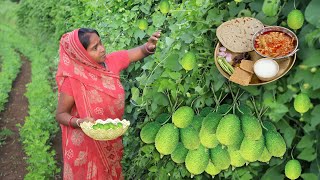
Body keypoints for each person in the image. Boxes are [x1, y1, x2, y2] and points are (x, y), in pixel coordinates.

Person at [55, 28, 161, 180]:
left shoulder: (110, 63)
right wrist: (79, 122)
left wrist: (148, 47)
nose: (102, 49)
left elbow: (135, 53)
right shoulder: (72, 81)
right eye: (95, 48)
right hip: (85, 148)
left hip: (110, 141)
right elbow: (60, 114)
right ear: (81, 54)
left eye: (101, 43)